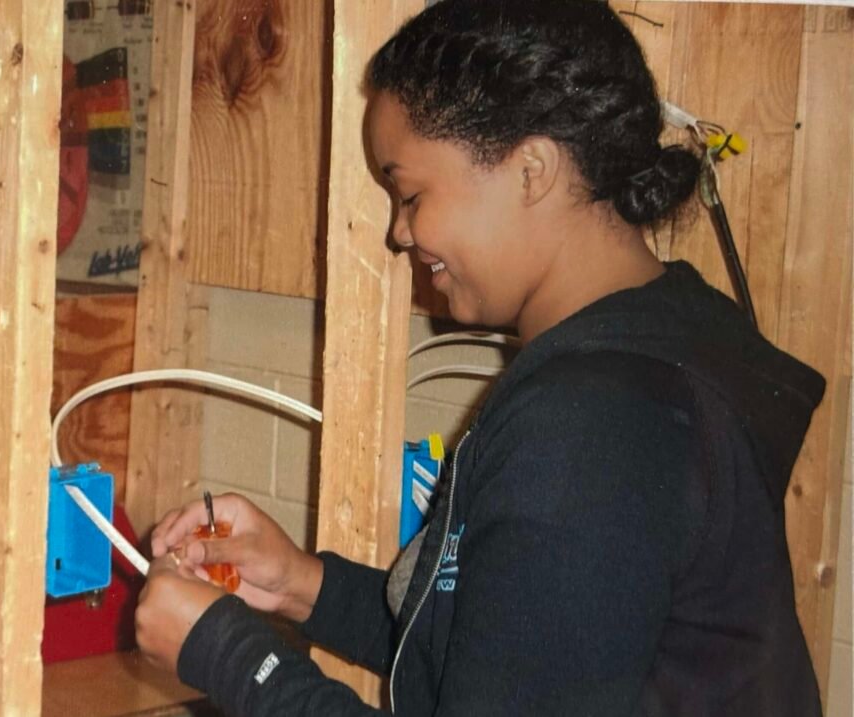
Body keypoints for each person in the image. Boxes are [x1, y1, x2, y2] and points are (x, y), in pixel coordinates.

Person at [134, 1, 825, 714]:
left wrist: (230, 653)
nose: (400, 233)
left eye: (410, 193)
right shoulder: (660, 347)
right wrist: (301, 583)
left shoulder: (592, 427)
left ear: (531, 170)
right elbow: (503, 649)